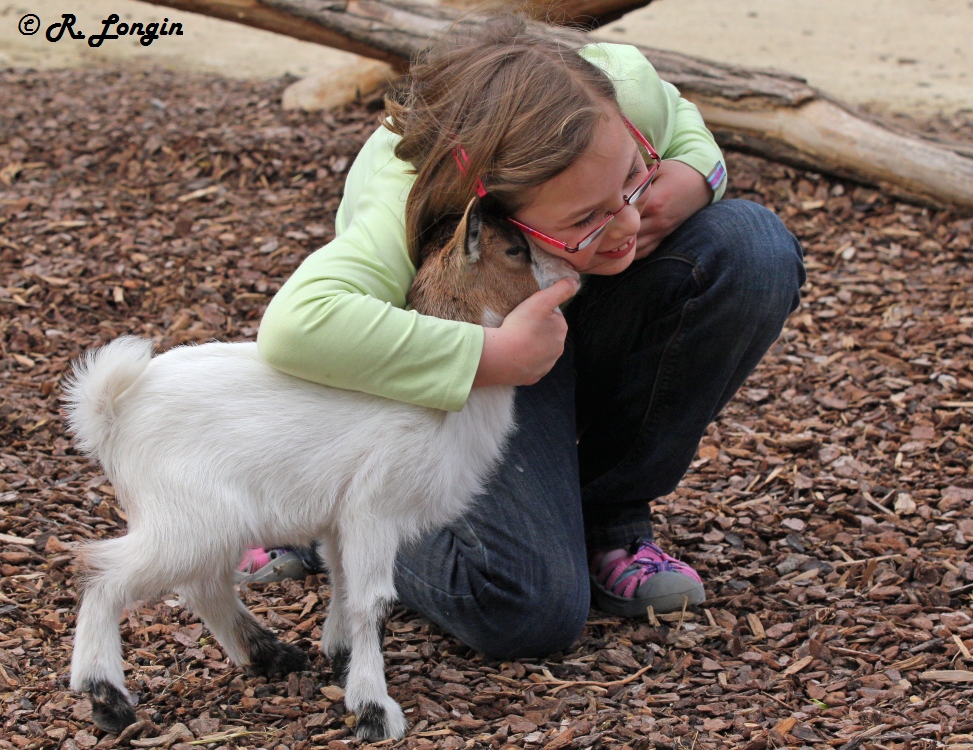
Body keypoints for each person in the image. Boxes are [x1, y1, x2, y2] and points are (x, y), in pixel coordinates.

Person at [246, 15, 805, 658]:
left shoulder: (616, 87)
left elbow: (680, 123)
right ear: (490, 214)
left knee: (751, 248)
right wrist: (495, 355)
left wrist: (692, 178)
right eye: (588, 216)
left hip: (559, 323)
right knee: (522, 606)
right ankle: (340, 522)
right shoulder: (408, 191)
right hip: (471, 380)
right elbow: (296, 327)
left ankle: (607, 520)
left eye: (632, 179)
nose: (627, 219)